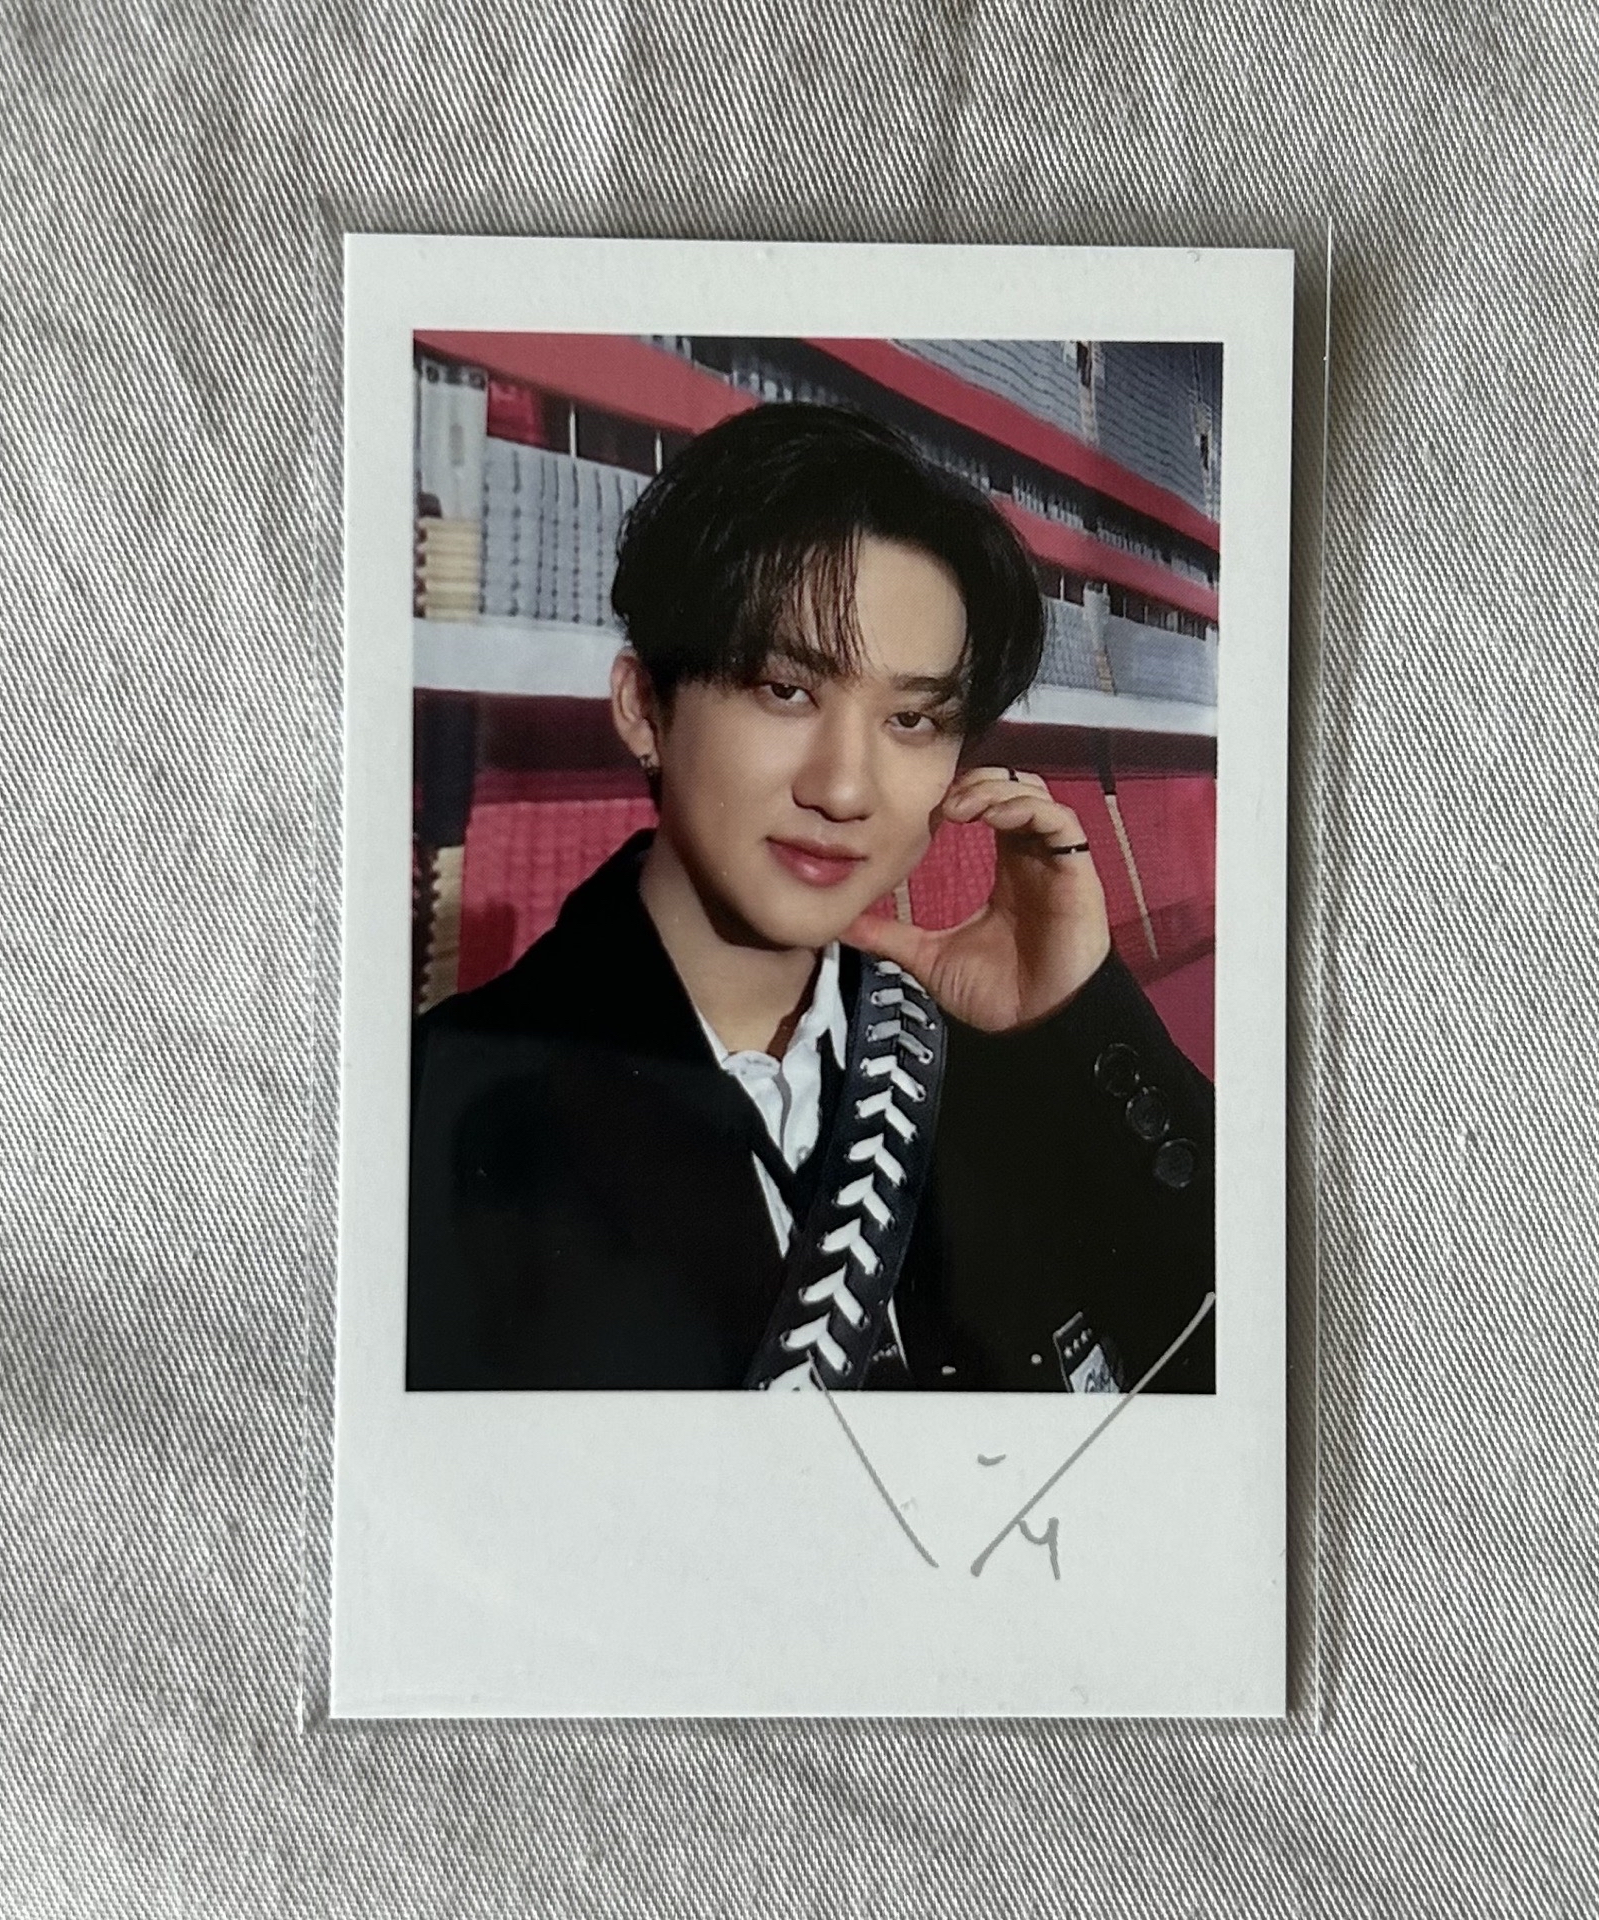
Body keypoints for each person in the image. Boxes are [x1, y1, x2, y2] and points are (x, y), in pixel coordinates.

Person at [406, 403, 1214, 1392]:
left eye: (912, 720)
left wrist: (1076, 1011)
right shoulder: (432, 1118)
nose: (843, 789)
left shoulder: (994, 1060)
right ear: (644, 707)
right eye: (786, 690)